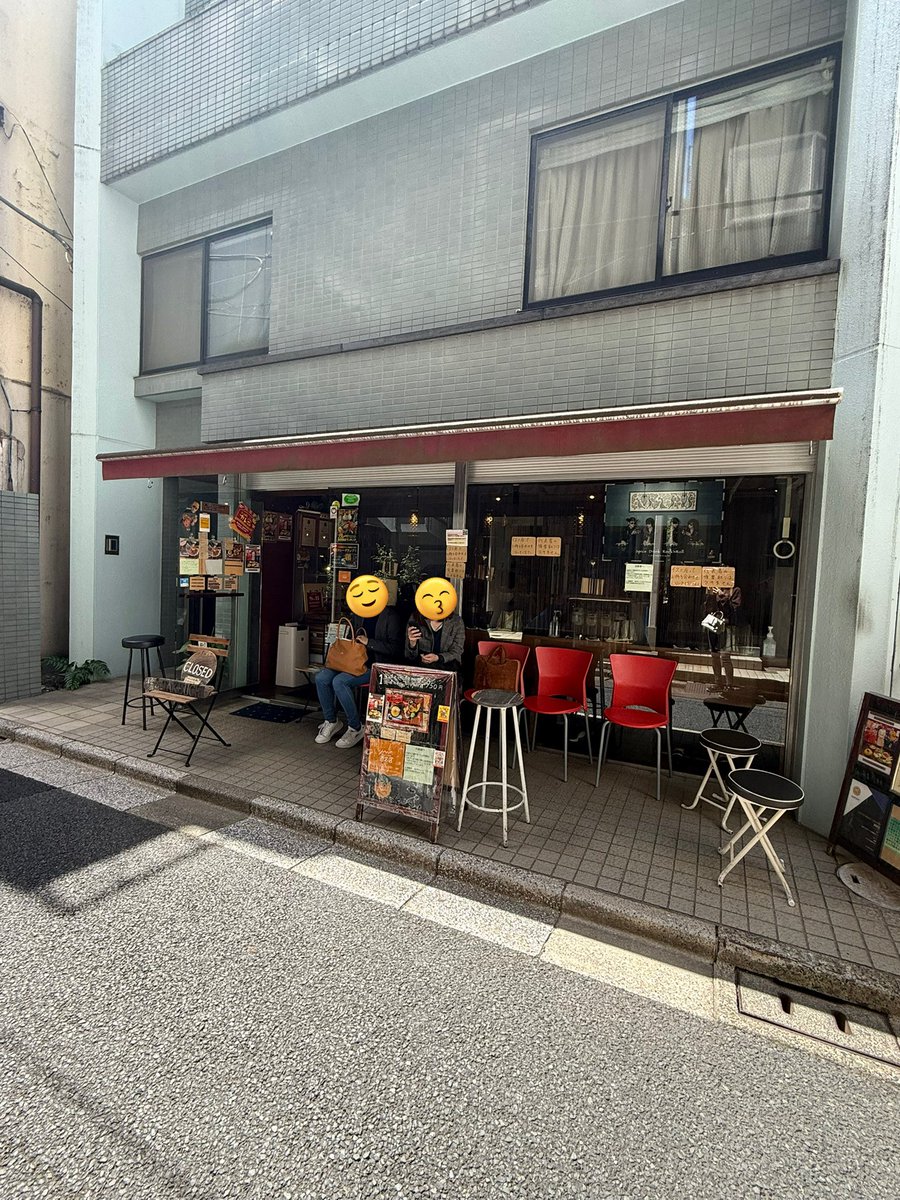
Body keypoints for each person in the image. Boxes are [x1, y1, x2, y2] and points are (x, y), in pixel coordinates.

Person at [315, 597, 408, 747]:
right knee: (321, 678)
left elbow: (396, 649)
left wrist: (369, 642)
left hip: (374, 665)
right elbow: (350, 638)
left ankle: (356, 727)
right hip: (350, 662)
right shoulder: (358, 613)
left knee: (339, 681)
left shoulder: (391, 616)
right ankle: (331, 721)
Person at [405, 600, 465, 671]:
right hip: (421, 668)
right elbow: (409, 656)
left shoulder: (456, 621)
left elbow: (457, 652)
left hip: (448, 668)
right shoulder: (415, 618)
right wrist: (412, 643)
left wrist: (438, 658)